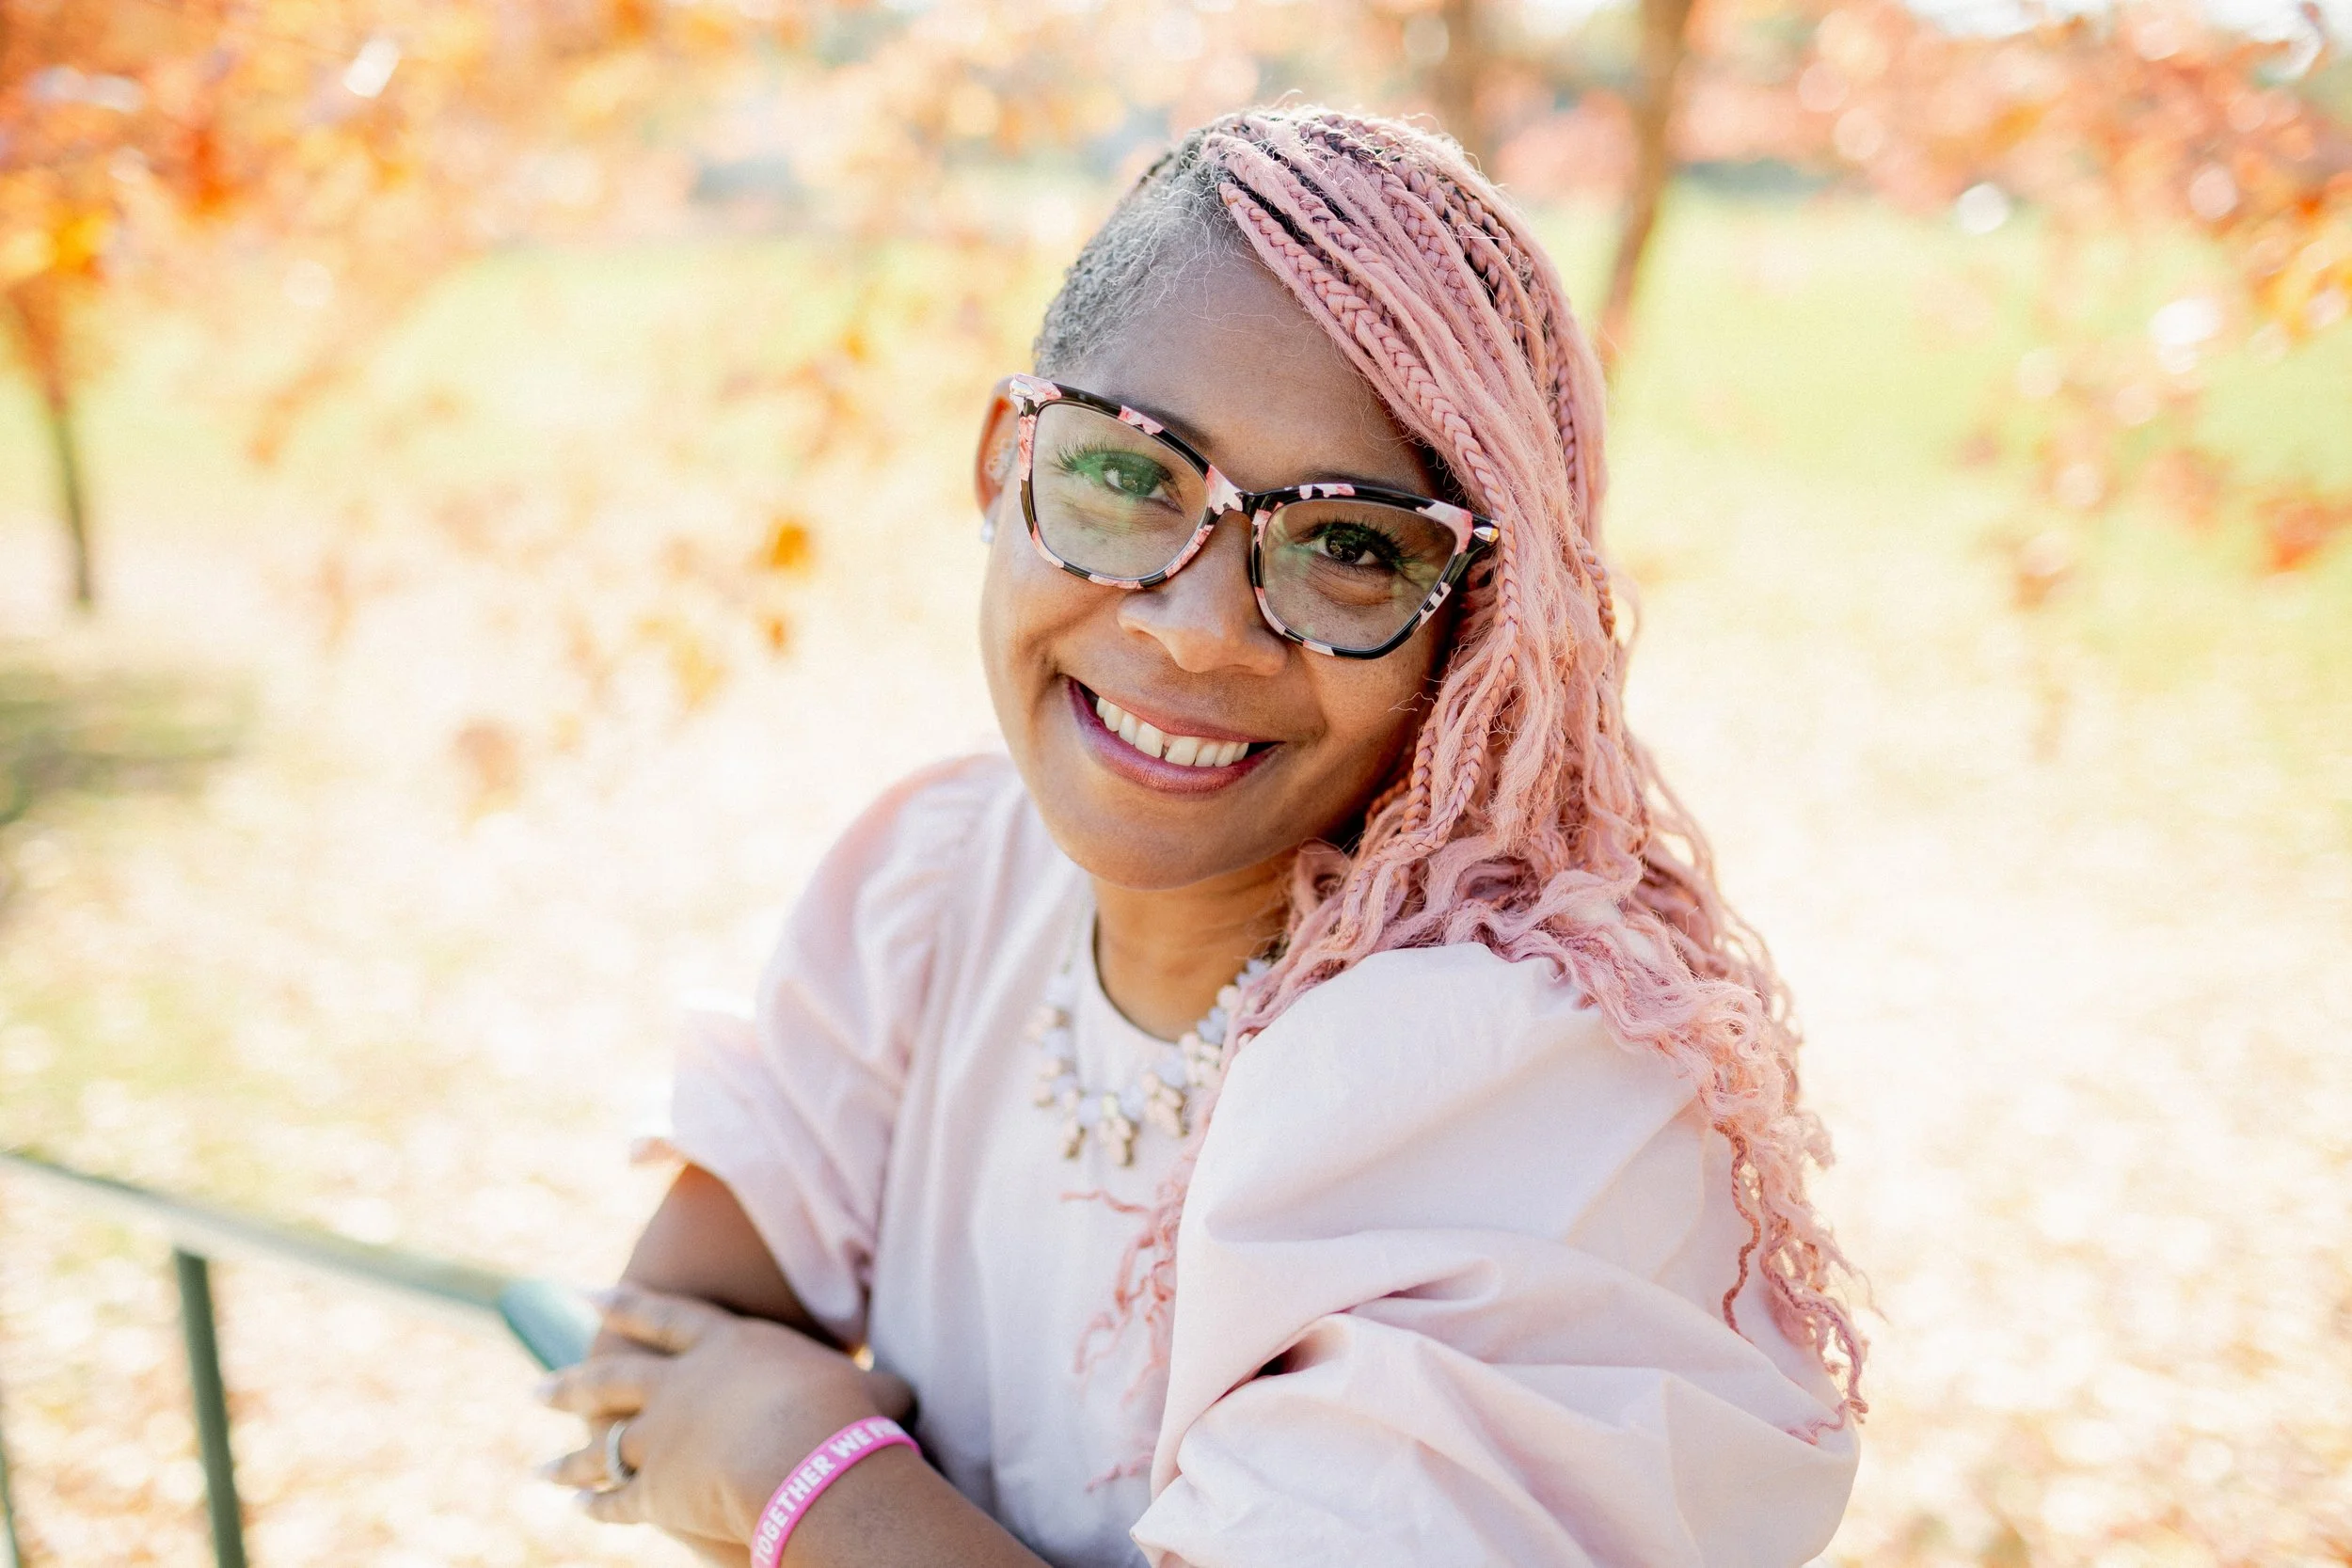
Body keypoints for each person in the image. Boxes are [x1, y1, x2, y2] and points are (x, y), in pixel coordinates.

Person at [535, 106, 1866, 1567]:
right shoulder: (942, 883)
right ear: (1004, 466)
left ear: (1477, 625)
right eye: (1127, 476)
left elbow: (715, 1421)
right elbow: (648, 1362)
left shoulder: (1517, 1089)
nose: (1200, 627)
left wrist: (794, 1461)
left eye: (1351, 545)